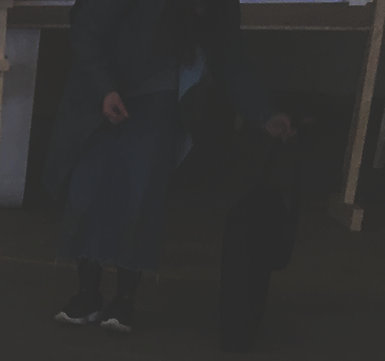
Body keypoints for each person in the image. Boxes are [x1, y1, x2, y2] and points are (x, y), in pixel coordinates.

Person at [45, 0, 293, 333]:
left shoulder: (220, 6)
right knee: (88, 188)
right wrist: (104, 88)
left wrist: (264, 113)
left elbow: (229, 57)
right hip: (103, 86)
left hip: (158, 92)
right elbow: (87, 30)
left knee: (141, 192)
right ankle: (87, 293)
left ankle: (125, 298)